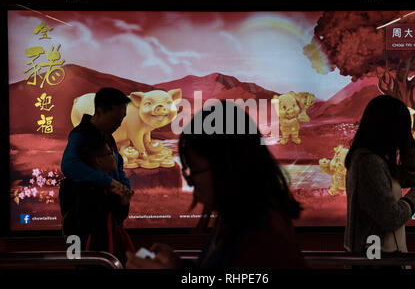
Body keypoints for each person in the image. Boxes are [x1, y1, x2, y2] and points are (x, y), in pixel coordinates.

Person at [126, 100, 306, 269]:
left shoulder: (264, 235)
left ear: (227, 168)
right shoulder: (240, 217)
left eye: (194, 170)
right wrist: (177, 265)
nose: (189, 180)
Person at [344, 95, 415, 268]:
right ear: (389, 128)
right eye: (403, 127)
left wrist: (408, 142)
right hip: (378, 260)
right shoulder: (369, 163)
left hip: (384, 257)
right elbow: (392, 217)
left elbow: (411, 178)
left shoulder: (374, 159)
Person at [60, 87, 134, 257]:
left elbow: (118, 165)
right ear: (99, 112)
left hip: (108, 217)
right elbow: (69, 165)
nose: (119, 124)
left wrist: (124, 187)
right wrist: (108, 182)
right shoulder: (80, 135)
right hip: (84, 219)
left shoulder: (108, 136)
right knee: (86, 261)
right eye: (115, 118)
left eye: (122, 119)